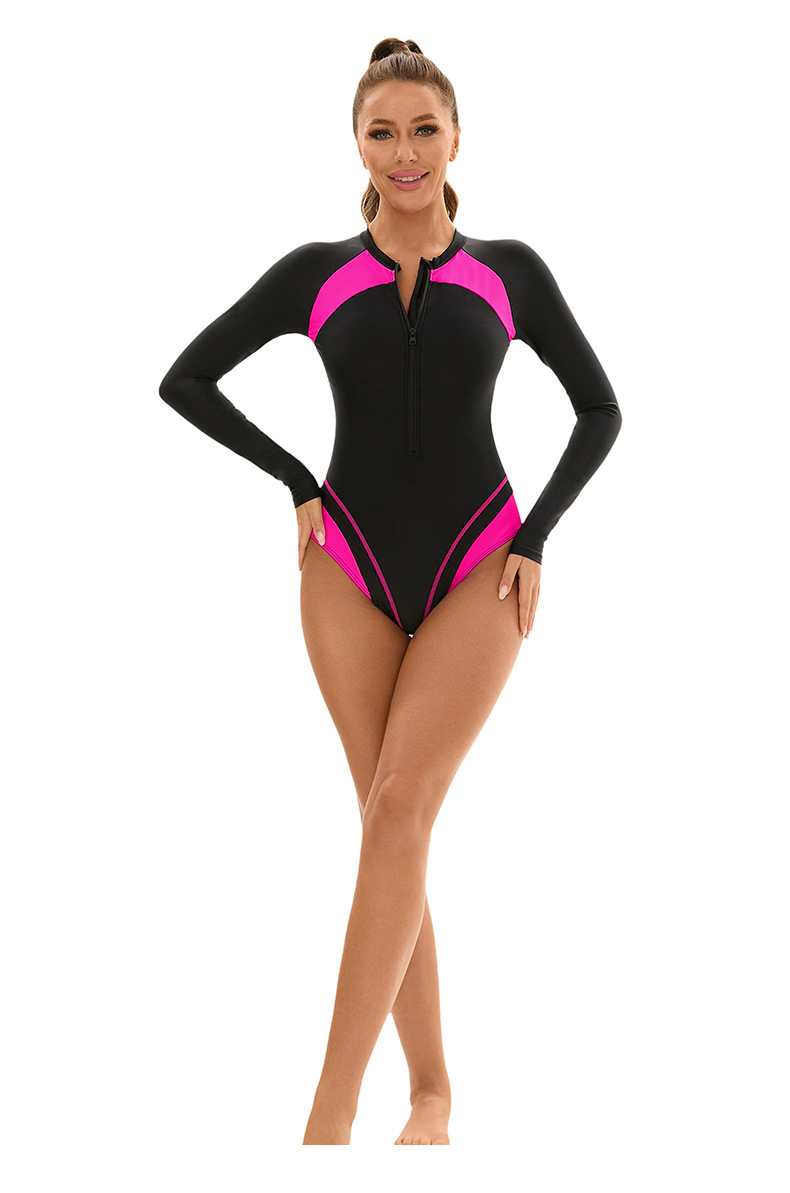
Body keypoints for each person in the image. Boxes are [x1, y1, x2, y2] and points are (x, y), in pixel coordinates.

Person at [159, 36, 622, 1146]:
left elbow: (600, 408)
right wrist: (294, 481)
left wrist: (539, 536)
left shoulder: (509, 271)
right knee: (387, 818)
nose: (405, 150)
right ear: (356, 147)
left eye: (424, 129)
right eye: (383, 131)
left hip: (480, 561)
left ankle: (326, 1125)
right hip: (347, 563)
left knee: (400, 803)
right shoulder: (317, 274)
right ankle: (432, 1094)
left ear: (457, 140)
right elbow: (186, 378)